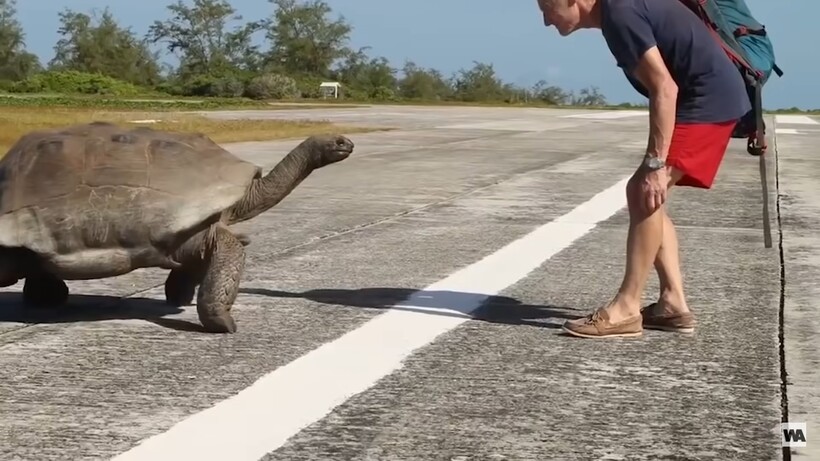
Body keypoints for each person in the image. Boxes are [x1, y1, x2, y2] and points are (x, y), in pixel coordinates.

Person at [535, 0, 752, 338]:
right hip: (708, 97)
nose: (546, 21)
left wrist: (655, 163)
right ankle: (672, 303)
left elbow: (664, 88)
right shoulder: (618, 12)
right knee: (645, 194)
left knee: (644, 190)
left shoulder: (619, 14)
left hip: (708, 99)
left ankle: (626, 307)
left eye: (547, 8)